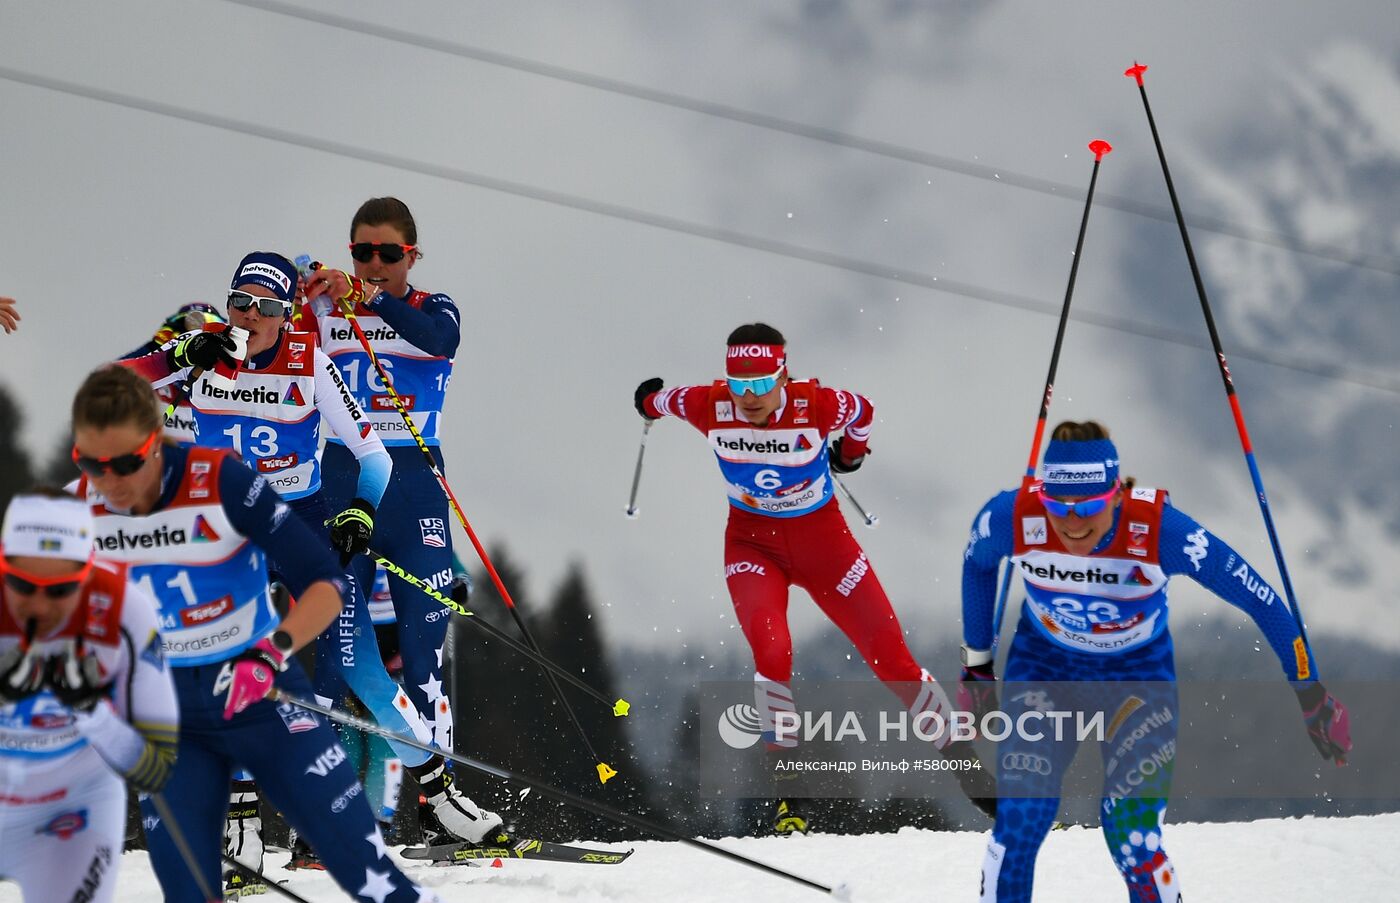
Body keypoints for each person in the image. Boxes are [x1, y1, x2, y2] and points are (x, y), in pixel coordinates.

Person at [123, 251, 497, 883]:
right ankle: (241, 828)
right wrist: (177, 360)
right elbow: (109, 384)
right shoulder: (198, 351)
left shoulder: (310, 362)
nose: (253, 318)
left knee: (357, 663)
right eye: (242, 303)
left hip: (299, 524)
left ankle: (438, 795)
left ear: (286, 313)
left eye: (270, 307)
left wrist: (359, 512)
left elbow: (372, 456)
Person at [69, 364, 443, 903]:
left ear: (157, 441)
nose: (111, 481)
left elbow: (325, 584)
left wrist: (273, 653)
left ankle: (436, 794)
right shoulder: (76, 505)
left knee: (372, 880)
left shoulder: (221, 481)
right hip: (174, 718)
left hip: (262, 694)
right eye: (92, 464)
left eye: (127, 463)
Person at [960, 420, 1353, 902]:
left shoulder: (1160, 530)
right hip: (1046, 671)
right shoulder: (1014, 516)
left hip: (1135, 680)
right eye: (1058, 506)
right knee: (1021, 818)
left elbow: (1262, 600)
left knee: (1129, 830)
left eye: (1090, 506)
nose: (1073, 522)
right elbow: (977, 564)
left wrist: (1311, 693)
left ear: (1118, 494)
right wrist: (976, 667)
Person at [635, 323, 989, 834]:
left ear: (784, 375)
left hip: (826, 549)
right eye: (739, 385)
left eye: (761, 385)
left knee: (893, 660)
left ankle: (970, 768)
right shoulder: (708, 404)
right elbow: (662, 401)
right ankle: (790, 802)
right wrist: (648, 402)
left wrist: (851, 454)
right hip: (754, 548)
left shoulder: (817, 405)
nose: (748, 398)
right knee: (772, 652)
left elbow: (863, 410)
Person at [300, 198, 478, 840]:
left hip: (414, 489)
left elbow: (440, 342)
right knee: (341, 654)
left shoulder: (433, 307)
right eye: (362, 253)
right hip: (343, 484)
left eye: (388, 253)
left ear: (412, 255)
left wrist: (368, 297)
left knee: (425, 659)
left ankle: (437, 812)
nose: (374, 264)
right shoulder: (320, 309)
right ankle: (320, 812)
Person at [0, 488, 179, 903]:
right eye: (21, 585)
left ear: (88, 573)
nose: (39, 606)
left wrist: (93, 713)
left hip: (70, 811)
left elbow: (157, 770)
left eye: (60, 590)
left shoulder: (125, 612)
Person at [118, 302, 227, 446]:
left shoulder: (228, 380)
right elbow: (110, 381)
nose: (198, 350)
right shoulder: (156, 383)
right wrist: (156, 348)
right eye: (183, 335)